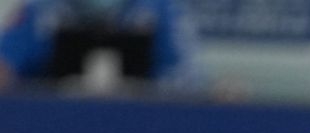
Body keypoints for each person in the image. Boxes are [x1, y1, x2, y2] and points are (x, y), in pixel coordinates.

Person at [0, 0, 197, 90]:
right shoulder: (40, 10)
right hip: (53, 129)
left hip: (146, 130)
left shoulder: (160, 9)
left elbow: (187, 79)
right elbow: (5, 65)